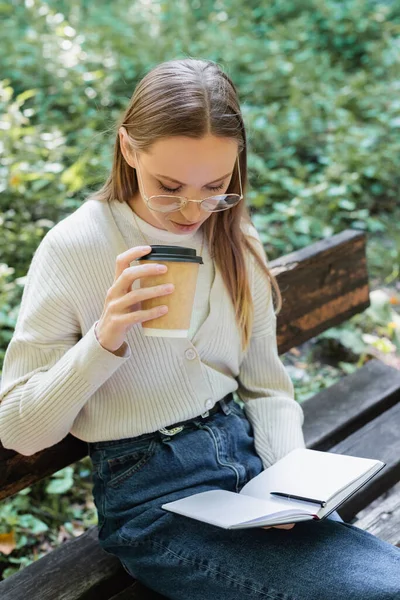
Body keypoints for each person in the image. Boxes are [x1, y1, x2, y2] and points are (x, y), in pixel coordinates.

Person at [0, 58, 398, 600]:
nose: (193, 210)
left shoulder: (234, 238)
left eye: (216, 185)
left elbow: (268, 386)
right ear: (128, 148)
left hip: (248, 474)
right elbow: (20, 431)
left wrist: (287, 489)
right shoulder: (75, 248)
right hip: (152, 502)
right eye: (169, 187)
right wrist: (104, 338)